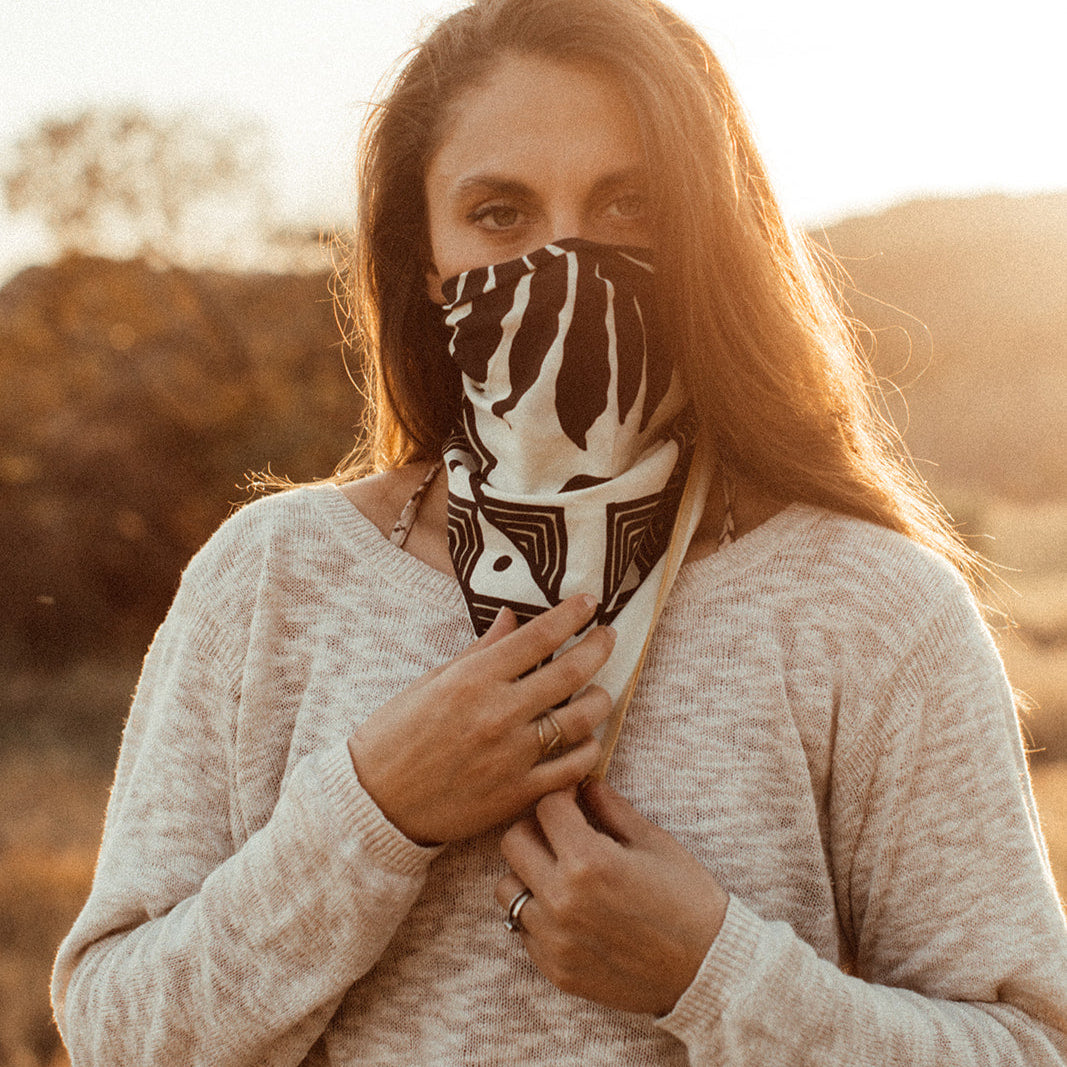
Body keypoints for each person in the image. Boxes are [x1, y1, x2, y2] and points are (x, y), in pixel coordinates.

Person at [53, 0, 1067, 1063]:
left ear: (709, 230)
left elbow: (1030, 1046)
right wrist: (370, 813)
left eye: (629, 202)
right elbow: (115, 1030)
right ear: (430, 259)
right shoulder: (274, 578)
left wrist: (713, 972)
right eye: (499, 212)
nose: (566, 260)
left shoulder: (866, 605)